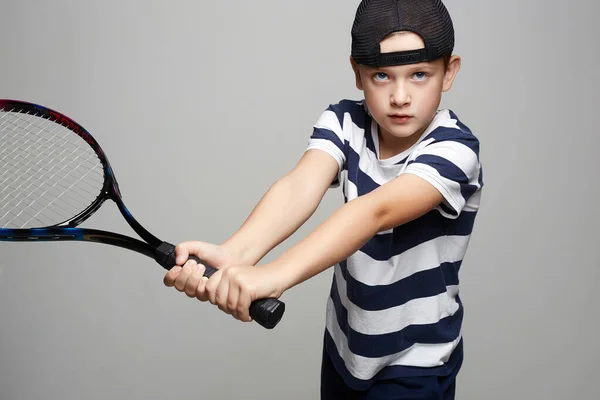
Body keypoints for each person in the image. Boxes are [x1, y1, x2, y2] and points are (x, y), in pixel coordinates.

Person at [164, 0, 483, 398]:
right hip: (346, 346)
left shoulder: (455, 149)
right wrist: (236, 254)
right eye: (382, 76)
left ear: (449, 71)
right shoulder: (345, 122)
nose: (400, 96)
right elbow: (300, 186)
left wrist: (273, 276)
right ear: (357, 73)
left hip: (414, 364)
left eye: (419, 74)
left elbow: (375, 211)